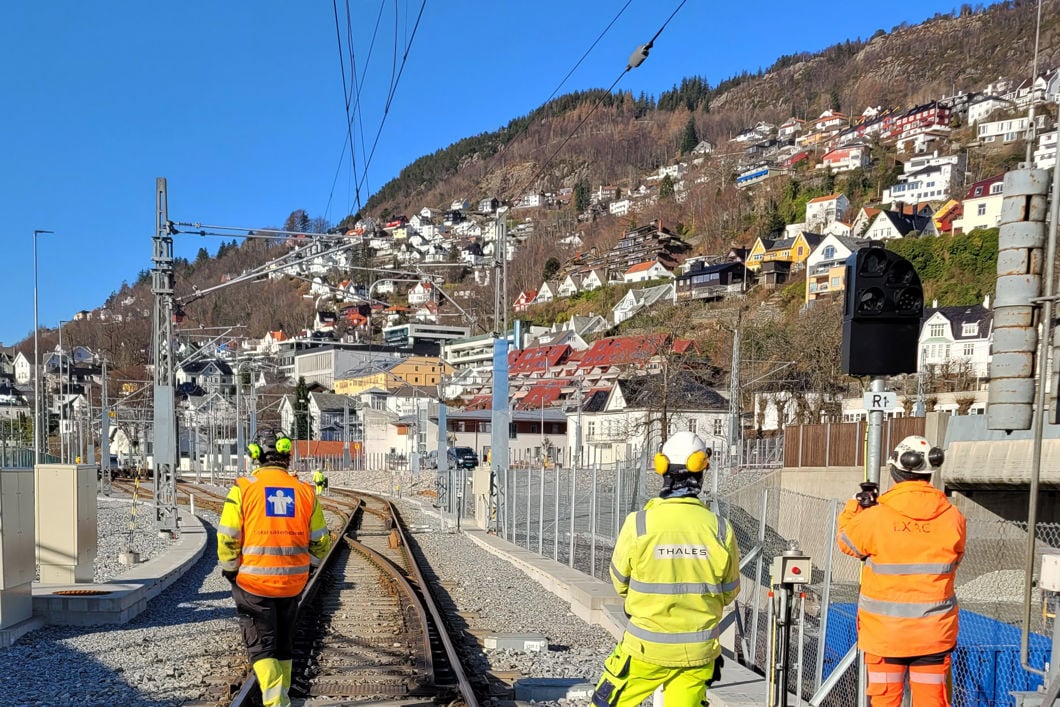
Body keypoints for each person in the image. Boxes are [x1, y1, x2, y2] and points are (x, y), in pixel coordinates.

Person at [591, 431, 740, 707]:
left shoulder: (639, 524)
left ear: (661, 469)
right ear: (701, 471)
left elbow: (619, 581)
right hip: (697, 652)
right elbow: (729, 591)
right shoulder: (720, 529)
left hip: (646, 648)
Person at [837, 435, 966, 707]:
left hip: (886, 635)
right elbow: (955, 559)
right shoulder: (953, 516)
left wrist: (856, 506)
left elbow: (847, 542)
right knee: (932, 702)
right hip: (934, 634)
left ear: (895, 470)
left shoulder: (876, 517)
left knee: (884, 702)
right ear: (930, 472)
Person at [217, 430, 331, 707]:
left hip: (253, 584)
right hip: (292, 584)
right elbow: (321, 541)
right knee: (283, 643)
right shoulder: (305, 491)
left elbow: (228, 536)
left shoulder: (243, 488)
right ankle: (284, 695)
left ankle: (276, 703)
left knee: (261, 646)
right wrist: (308, 568)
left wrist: (231, 569)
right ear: (287, 455)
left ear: (255, 456)